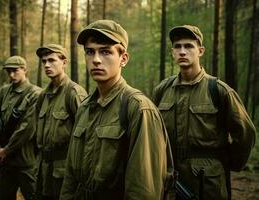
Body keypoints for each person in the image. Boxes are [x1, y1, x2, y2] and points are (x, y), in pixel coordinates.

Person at [60, 19, 168, 200]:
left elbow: (143, 190)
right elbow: (71, 176)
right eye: (89, 52)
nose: (96, 60)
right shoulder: (85, 107)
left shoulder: (139, 108)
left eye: (105, 52)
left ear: (123, 59)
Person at [152, 25, 256, 200]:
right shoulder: (162, 90)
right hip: (170, 178)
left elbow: (245, 133)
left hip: (207, 182)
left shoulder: (218, 90)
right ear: (172, 52)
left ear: (200, 51)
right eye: (177, 47)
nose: (182, 51)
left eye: (189, 46)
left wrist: (227, 163)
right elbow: (154, 133)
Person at [0, 55, 42, 200]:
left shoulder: (35, 94)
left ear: (25, 70)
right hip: (6, 161)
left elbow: (27, 128)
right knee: (3, 195)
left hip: (26, 160)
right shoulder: (3, 92)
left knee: (33, 195)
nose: (11, 75)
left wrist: (7, 150)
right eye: (8, 71)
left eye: (15, 70)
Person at [35, 44, 87, 200]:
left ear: (64, 62)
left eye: (52, 60)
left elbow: (86, 137)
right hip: (44, 169)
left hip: (65, 171)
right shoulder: (43, 95)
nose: (46, 65)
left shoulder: (74, 93)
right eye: (44, 61)